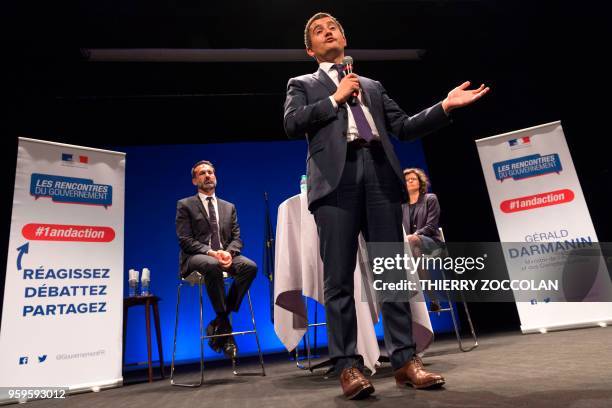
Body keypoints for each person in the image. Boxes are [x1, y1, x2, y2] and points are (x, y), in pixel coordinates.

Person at [283, 12, 489, 399]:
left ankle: (405, 361)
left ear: (345, 37)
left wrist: (445, 107)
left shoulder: (372, 85)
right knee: (339, 280)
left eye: (334, 27)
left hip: (379, 174)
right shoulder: (303, 84)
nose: (328, 32)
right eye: (318, 31)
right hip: (336, 182)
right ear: (310, 49)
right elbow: (292, 124)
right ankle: (348, 366)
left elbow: (405, 126)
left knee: (391, 273)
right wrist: (334, 98)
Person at [175, 160, 257, 361]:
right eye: (202, 173)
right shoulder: (185, 205)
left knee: (250, 267)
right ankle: (225, 329)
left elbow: (237, 238)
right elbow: (185, 240)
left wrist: (229, 252)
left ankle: (220, 321)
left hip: (225, 256)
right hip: (196, 258)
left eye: (211, 172)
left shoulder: (229, 207)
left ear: (216, 177)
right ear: (195, 180)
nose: (207, 176)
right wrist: (212, 253)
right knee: (211, 265)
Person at [403, 168, 444, 311]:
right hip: (412, 247)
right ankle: (431, 299)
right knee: (411, 249)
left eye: (412, 179)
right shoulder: (402, 205)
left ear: (420, 182)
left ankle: (421, 294)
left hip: (432, 243)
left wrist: (414, 235)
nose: (409, 182)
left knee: (413, 243)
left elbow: (432, 226)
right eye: (406, 180)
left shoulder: (430, 198)